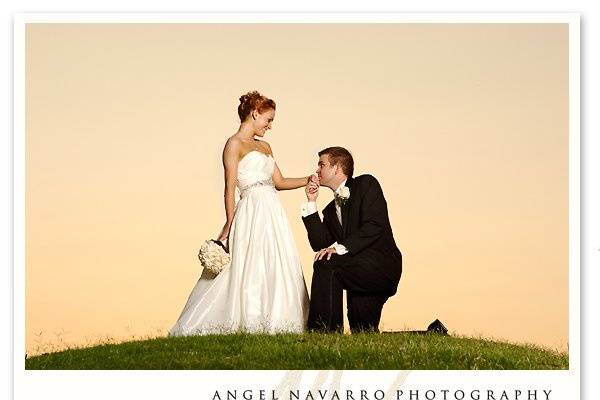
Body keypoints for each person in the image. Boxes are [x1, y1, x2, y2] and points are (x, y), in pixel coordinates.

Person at [169, 91, 312, 336]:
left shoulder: (266, 146)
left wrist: (308, 179)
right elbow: (229, 187)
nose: (270, 125)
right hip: (251, 209)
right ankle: (249, 318)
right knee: (250, 263)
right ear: (254, 114)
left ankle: (280, 319)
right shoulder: (233, 144)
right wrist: (229, 221)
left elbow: (279, 181)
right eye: (268, 119)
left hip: (272, 210)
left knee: (277, 258)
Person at [301, 147, 402, 333]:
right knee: (363, 333)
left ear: (337, 167)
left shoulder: (366, 184)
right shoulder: (330, 210)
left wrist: (338, 249)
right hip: (355, 271)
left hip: (380, 267)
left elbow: (374, 226)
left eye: (321, 164)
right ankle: (435, 333)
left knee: (326, 263)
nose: (317, 170)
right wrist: (311, 202)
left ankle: (322, 333)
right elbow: (319, 243)